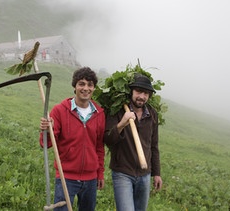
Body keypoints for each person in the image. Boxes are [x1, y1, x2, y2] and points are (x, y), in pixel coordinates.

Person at [39, 67, 105, 211]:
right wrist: (46, 130)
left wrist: (100, 173)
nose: (85, 88)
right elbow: (46, 143)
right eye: (81, 84)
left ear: (94, 88)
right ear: (74, 86)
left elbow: (99, 147)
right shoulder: (59, 110)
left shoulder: (99, 113)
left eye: (90, 85)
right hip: (65, 177)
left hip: (90, 179)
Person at [103, 74, 163, 211]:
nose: (142, 96)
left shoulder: (152, 114)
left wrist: (157, 173)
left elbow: (154, 145)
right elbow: (108, 140)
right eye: (138, 92)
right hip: (122, 173)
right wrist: (122, 123)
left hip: (145, 174)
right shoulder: (117, 111)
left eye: (146, 93)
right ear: (131, 91)